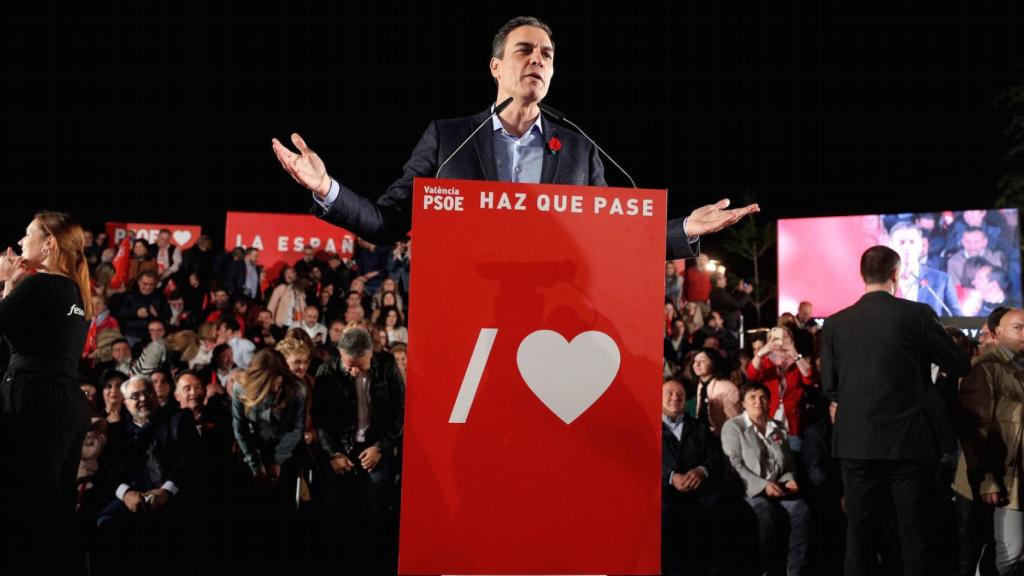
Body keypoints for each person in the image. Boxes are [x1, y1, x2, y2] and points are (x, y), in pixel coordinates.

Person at [272, 16, 758, 261]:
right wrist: (325, 188)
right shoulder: (449, 138)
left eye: (547, 54)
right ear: (496, 66)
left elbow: (614, 239)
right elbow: (387, 223)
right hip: (465, 312)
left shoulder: (579, 148)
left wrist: (686, 228)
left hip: (551, 315)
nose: (538, 59)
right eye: (525, 50)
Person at [821, 244, 970, 576]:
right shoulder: (918, 315)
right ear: (896, 274)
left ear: (862, 275)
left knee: (859, 536)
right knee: (914, 535)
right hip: (910, 442)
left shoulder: (834, 323)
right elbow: (959, 364)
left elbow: (829, 386)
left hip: (856, 443)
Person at [0, 211, 95, 574]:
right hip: (66, 403)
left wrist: (6, 280)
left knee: (23, 507)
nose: (20, 242)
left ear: (49, 243)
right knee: (55, 510)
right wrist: (14, 285)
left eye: (28, 234)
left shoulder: (41, 285)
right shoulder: (76, 291)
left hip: (33, 400)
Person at [721, 382, 809, 576]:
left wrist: (789, 480)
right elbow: (734, 465)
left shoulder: (778, 427)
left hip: (778, 488)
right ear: (743, 403)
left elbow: (788, 465)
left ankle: (795, 570)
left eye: (763, 397)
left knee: (800, 508)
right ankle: (761, 570)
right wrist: (763, 486)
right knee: (763, 510)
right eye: (752, 397)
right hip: (748, 490)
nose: (758, 402)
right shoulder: (733, 427)